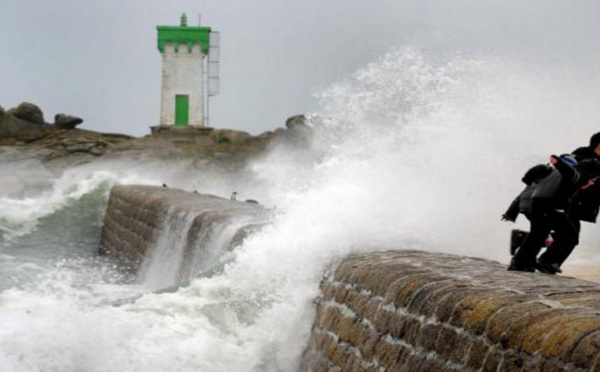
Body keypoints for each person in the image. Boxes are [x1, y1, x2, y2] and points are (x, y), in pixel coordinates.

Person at [506, 155, 600, 272]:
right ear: (590, 174)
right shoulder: (578, 175)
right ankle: (539, 261)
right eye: (593, 179)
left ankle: (523, 262)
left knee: (539, 234)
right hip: (546, 206)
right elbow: (569, 171)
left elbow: (539, 172)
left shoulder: (556, 174)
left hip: (541, 205)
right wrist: (558, 162)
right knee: (569, 233)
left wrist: (527, 179)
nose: (592, 183)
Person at [536, 133, 600, 272]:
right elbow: (568, 169)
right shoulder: (582, 154)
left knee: (567, 233)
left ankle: (532, 247)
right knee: (571, 234)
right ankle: (547, 261)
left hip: (583, 203)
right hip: (570, 200)